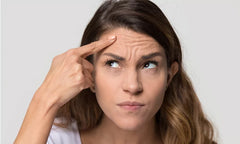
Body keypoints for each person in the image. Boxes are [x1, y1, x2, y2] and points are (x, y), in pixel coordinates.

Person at [14, 0, 217, 144]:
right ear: (89, 75)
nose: (132, 86)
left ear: (169, 75)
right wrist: (45, 99)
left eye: (148, 65)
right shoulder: (54, 138)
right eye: (113, 63)